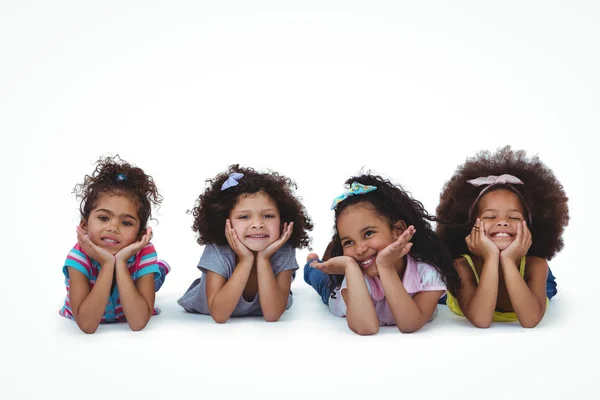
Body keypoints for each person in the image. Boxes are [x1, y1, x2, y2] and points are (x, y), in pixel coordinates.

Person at [304, 173, 460, 335]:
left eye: (368, 233)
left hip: (414, 286)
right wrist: (349, 266)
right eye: (348, 242)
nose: (360, 249)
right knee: (319, 276)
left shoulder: (427, 273)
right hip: (335, 294)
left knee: (439, 290)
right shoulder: (356, 274)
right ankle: (311, 263)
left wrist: (385, 266)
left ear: (398, 230)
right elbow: (366, 327)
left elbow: (409, 324)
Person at [435, 146, 569, 328]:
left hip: (532, 276)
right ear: (471, 225)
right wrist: (491, 257)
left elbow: (530, 321)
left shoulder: (536, 266)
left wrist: (506, 259)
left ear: (529, 227)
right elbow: (481, 320)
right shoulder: (461, 266)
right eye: (490, 217)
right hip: (462, 283)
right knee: (436, 286)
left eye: (513, 217)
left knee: (549, 288)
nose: (503, 222)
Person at [178, 165, 313, 323]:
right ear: (225, 222)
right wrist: (246, 260)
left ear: (283, 220)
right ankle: (160, 268)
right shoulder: (218, 249)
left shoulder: (283, 248)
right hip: (208, 303)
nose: (258, 224)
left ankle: (313, 264)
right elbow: (219, 315)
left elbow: (272, 315)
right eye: (244, 217)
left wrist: (263, 259)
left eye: (268, 216)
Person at [59, 156, 170, 333]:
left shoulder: (144, 252)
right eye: (103, 218)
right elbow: (87, 325)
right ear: (84, 225)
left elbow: (138, 322)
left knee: (150, 275)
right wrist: (107, 264)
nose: (113, 228)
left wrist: (121, 262)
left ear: (140, 235)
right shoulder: (78, 257)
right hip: (89, 301)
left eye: (126, 223)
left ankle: (157, 272)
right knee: (147, 276)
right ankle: (156, 272)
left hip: (134, 273)